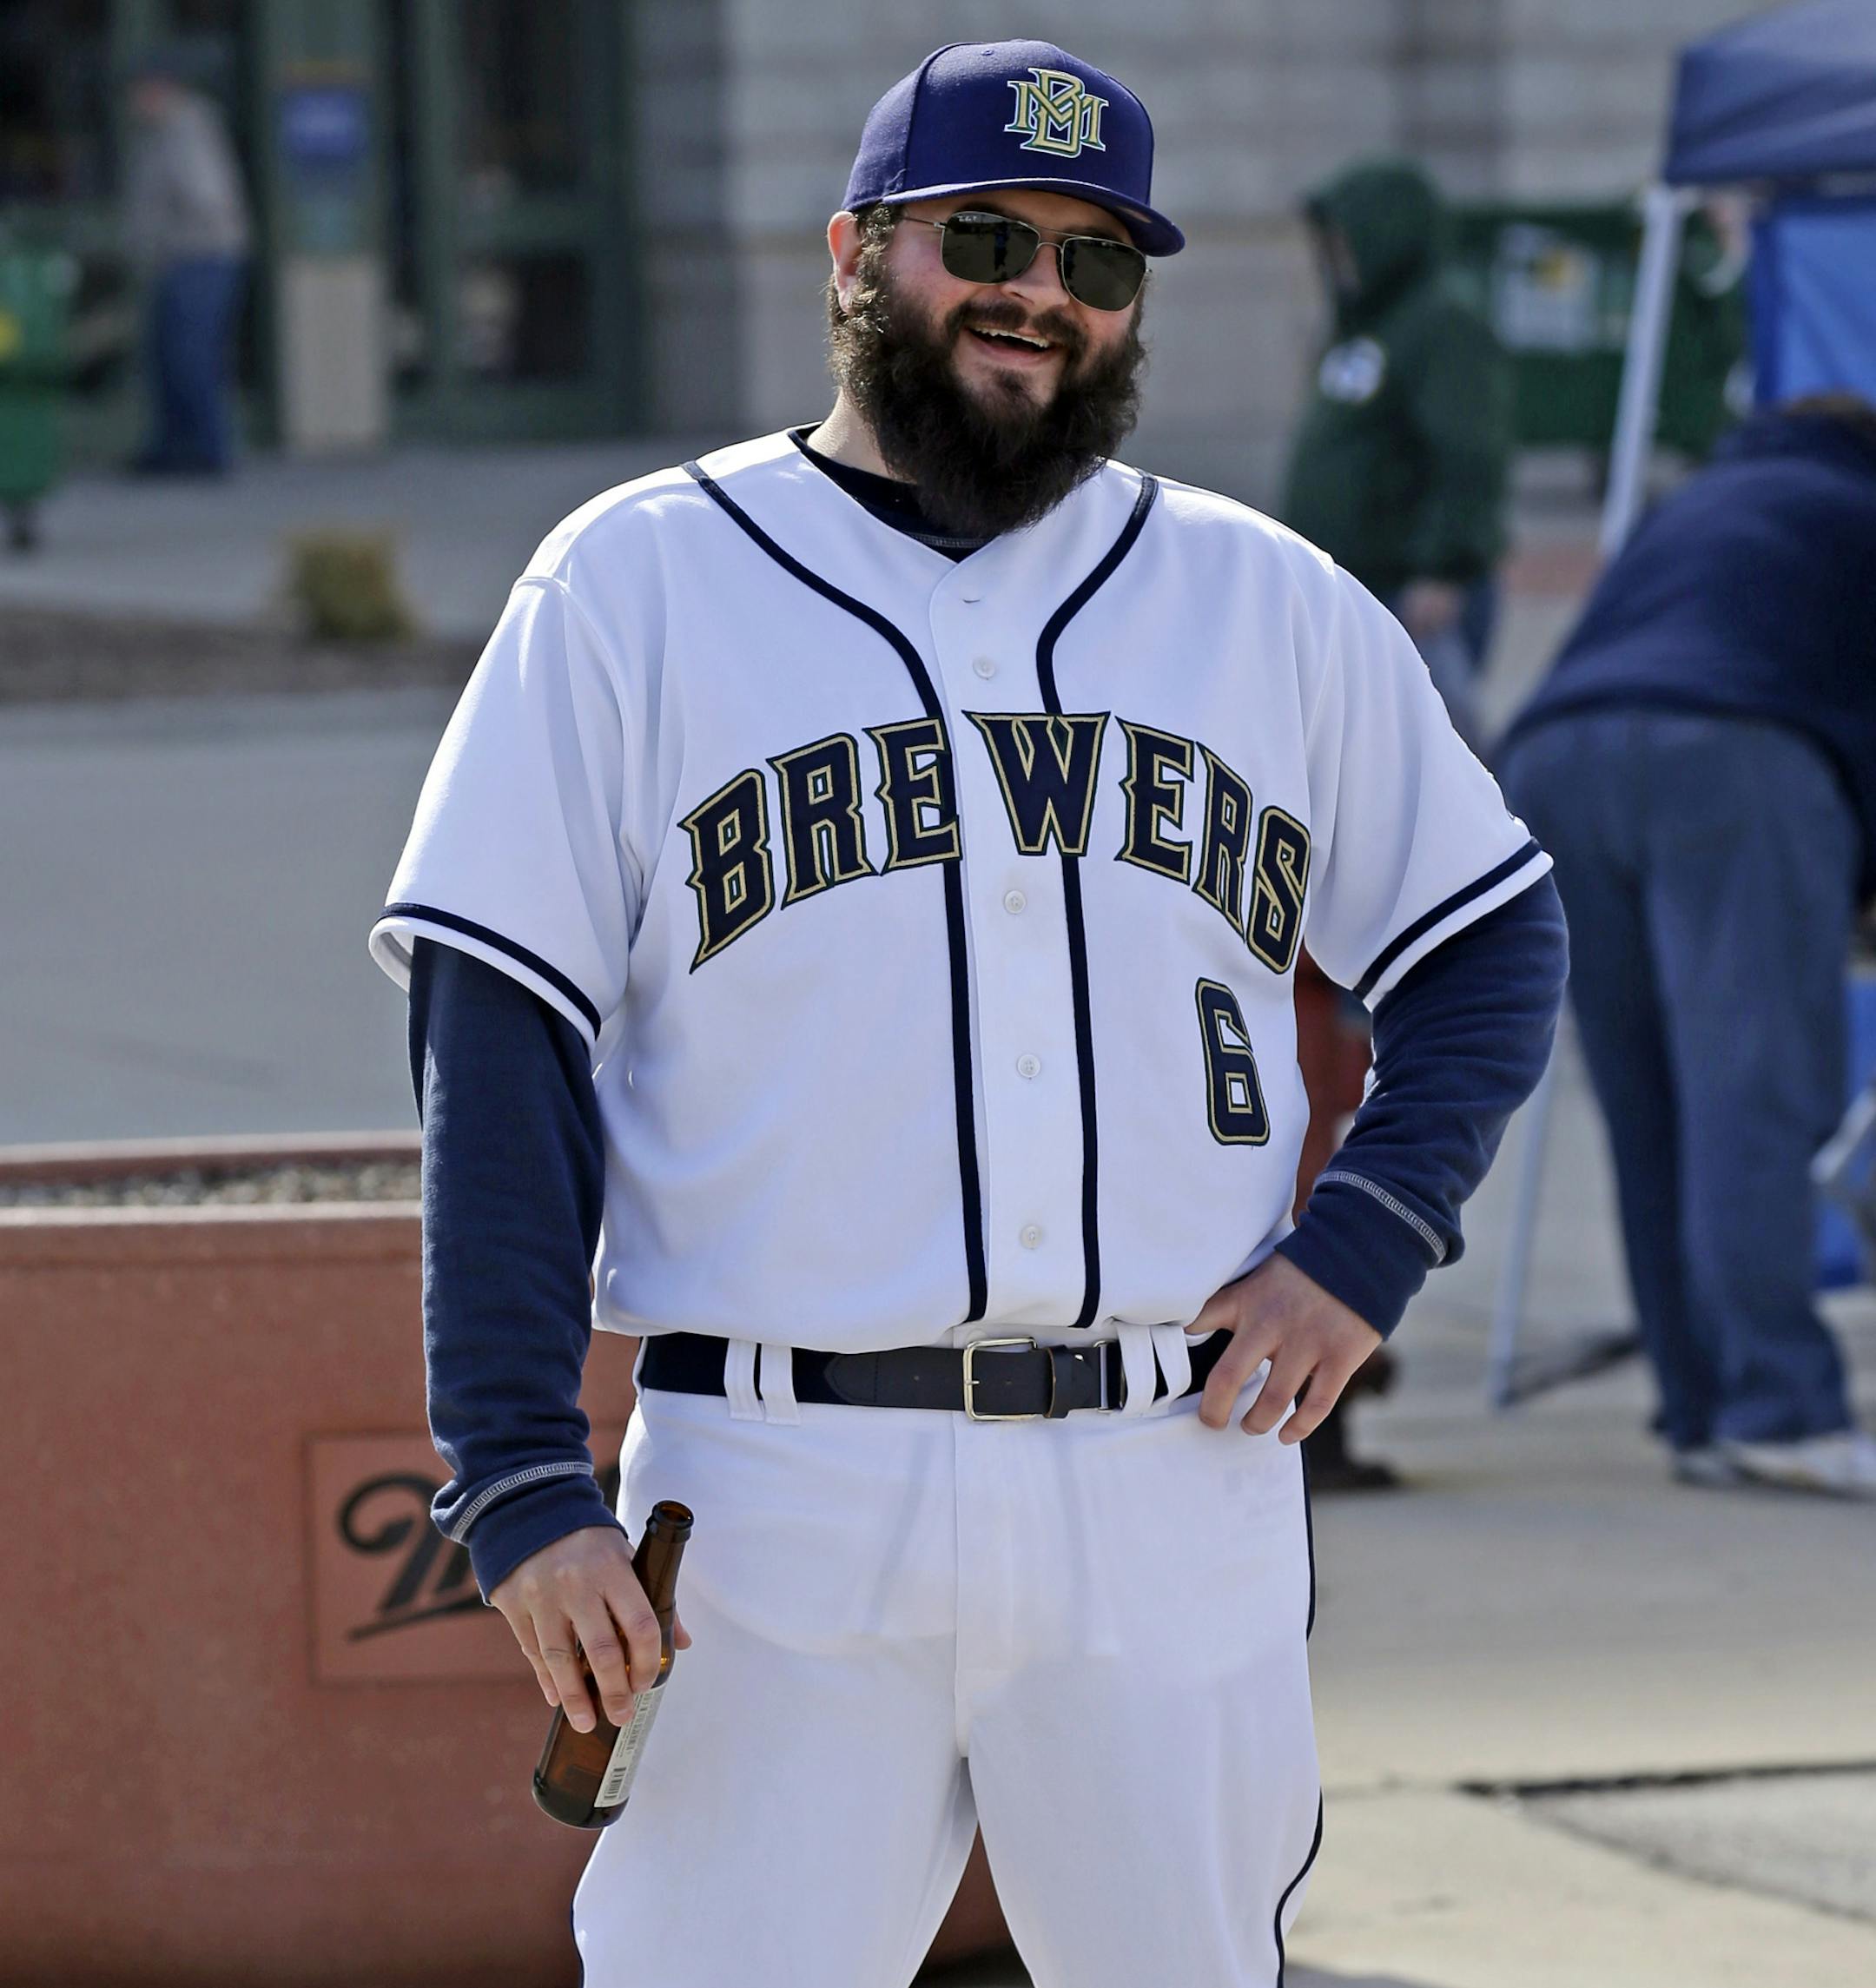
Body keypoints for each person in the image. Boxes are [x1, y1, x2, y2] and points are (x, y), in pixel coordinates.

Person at [371, 42, 1567, 1985]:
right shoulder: (633, 588)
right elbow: (496, 1041)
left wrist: (1367, 1239)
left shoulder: (1260, 602)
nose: (1042, 296)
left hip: (1163, 1473)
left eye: (1100, 267)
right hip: (773, 1491)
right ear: (858, 251)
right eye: (987, 237)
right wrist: (514, 1469)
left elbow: (1492, 936)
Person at [1500, 395, 1876, 1500]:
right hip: (1732, 756)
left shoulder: (1700, 503)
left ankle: (1704, 1406)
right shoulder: (1860, 511)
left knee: (1650, 1107)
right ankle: (1781, 1409)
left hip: (1553, 765)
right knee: (1750, 1093)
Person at [1279, 157, 1512, 747]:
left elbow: (1468, 453)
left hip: (1415, 593)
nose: (1336, 256)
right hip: (1353, 589)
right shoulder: (1364, 326)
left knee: (1433, 750)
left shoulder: (1442, 323)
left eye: (1346, 239)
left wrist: (1444, 567)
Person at [122, 50, 249, 475]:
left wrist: (167, 232)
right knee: (167, 360)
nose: (134, 102)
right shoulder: (160, 131)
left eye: (140, 92)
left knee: (191, 359)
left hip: (201, 259)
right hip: (181, 261)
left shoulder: (186, 128)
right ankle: (173, 450)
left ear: (159, 90)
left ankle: (209, 452)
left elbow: (206, 196)